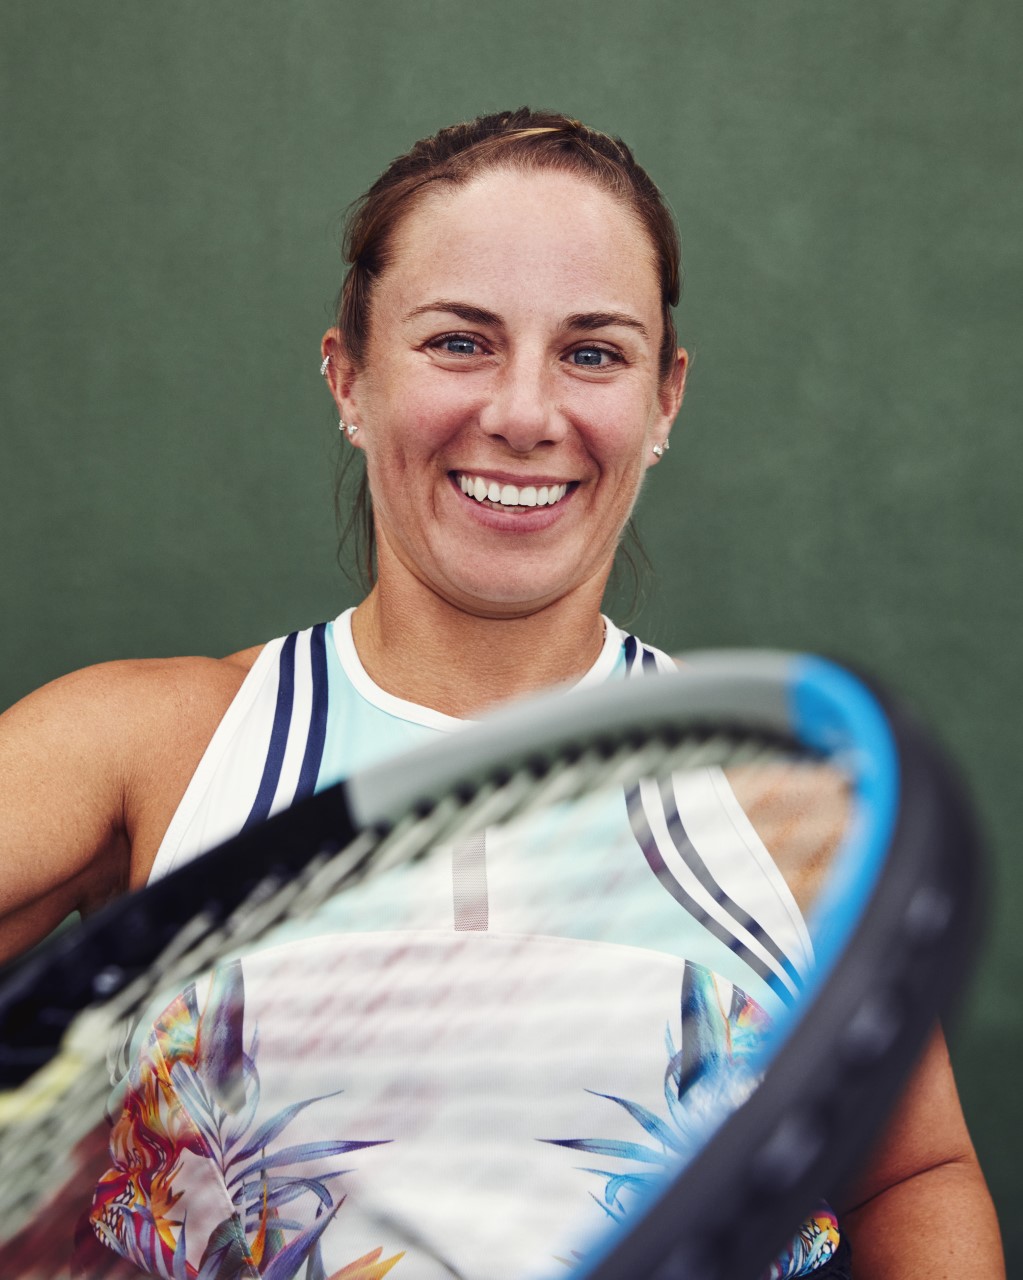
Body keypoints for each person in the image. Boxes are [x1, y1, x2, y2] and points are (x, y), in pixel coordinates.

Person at [0, 109, 1002, 1279]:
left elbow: (912, 1174)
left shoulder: (782, 799)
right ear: (349, 377)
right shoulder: (145, 747)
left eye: (593, 353)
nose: (525, 414)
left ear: (665, 399)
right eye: (460, 341)